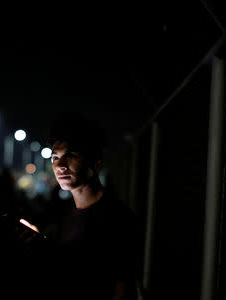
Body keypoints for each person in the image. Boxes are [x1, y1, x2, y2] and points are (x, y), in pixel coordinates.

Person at [14, 113, 140, 300]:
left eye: (71, 155)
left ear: (96, 163)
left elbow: (122, 282)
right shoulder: (68, 214)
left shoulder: (116, 217)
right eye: (55, 157)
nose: (60, 165)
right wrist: (41, 245)